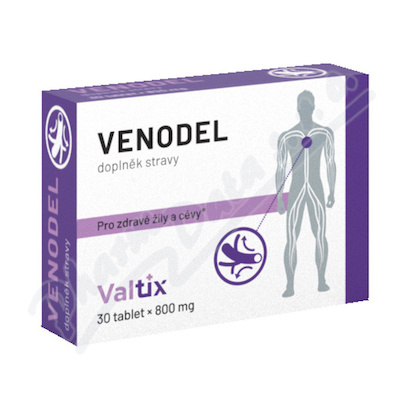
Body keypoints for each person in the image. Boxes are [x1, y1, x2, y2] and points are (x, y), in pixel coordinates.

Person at [276, 91, 336, 297]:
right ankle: (290, 285)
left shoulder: (324, 133)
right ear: (297, 108)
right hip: (296, 188)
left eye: (307, 106)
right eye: (302, 106)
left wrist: (332, 191)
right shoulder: (287, 136)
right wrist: (279, 198)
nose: (305, 110)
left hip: (316, 187)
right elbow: (280, 168)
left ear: (313, 108)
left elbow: (330, 162)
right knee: (292, 237)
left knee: (320, 234)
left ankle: (321, 280)